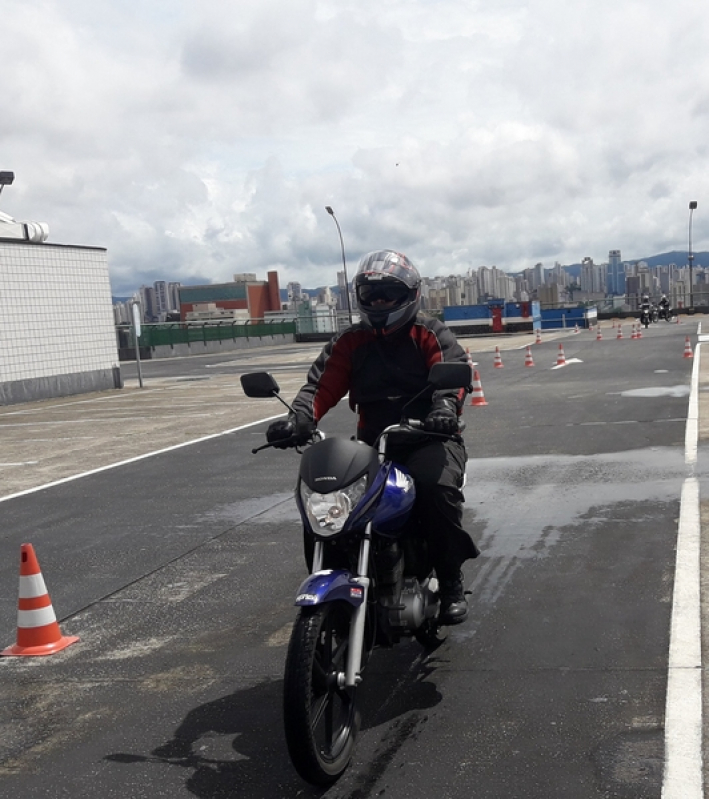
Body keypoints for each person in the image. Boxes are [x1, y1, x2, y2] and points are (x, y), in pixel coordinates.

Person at [265, 249, 480, 624]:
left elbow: (453, 371)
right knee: (326, 497)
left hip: (429, 438)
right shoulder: (350, 341)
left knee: (435, 489)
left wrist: (444, 410)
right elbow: (319, 387)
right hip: (373, 445)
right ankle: (335, 577)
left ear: (410, 295)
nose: (379, 302)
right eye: (371, 294)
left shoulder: (429, 332)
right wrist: (297, 419)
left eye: (388, 294)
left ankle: (449, 582)